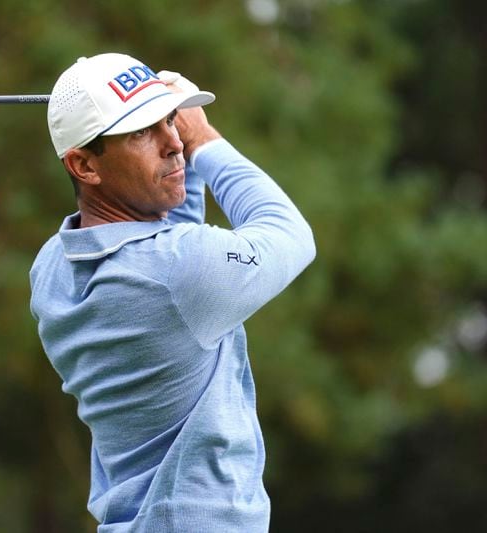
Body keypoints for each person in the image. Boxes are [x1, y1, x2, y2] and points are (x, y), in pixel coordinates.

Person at [29, 53, 316, 532]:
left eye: (170, 123)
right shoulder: (176, 272)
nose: (173, 144)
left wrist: (166, 132)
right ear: (83, 163)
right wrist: (203, 138)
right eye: (142, 132)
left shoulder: (51, 270)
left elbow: (161, 229)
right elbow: (289, 235)